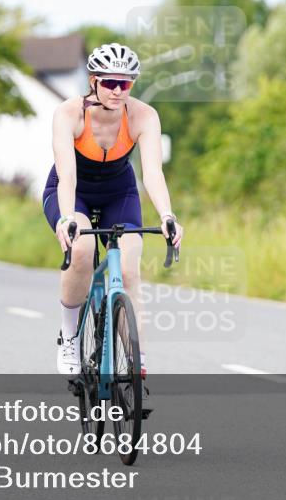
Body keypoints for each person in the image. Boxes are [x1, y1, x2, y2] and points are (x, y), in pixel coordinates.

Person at [42, 42, 183, 378]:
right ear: (93, 80)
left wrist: (167, 215)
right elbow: (67, 176)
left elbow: (152, 173)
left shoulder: (143, 116)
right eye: (110, 82)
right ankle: (70, 336)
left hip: (119, 192)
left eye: (126, 83)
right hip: (72, 191)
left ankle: (136, 358)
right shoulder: (69, 114)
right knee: (83, 249)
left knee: (130, 268)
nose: (118, 91)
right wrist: (66, 218)